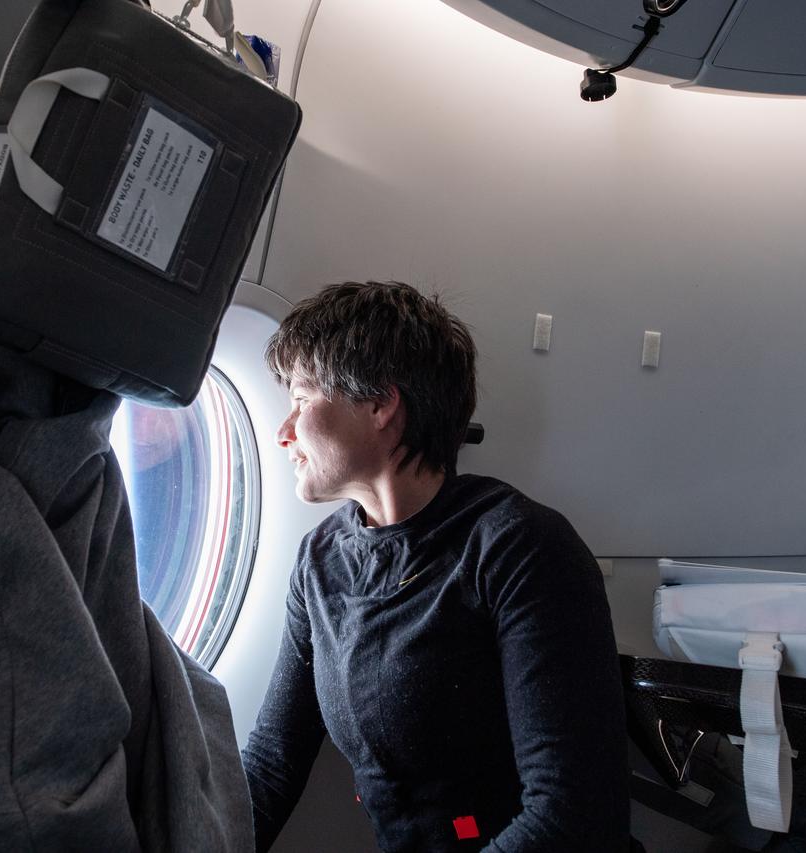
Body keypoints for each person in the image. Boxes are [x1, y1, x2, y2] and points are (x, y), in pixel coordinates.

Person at [240, 281, 630, 852]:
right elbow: (272, 764)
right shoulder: (320, 561)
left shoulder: (521, 549)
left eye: (301, 400)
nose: (283, 431)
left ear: (379, 404)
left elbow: (571, 817)